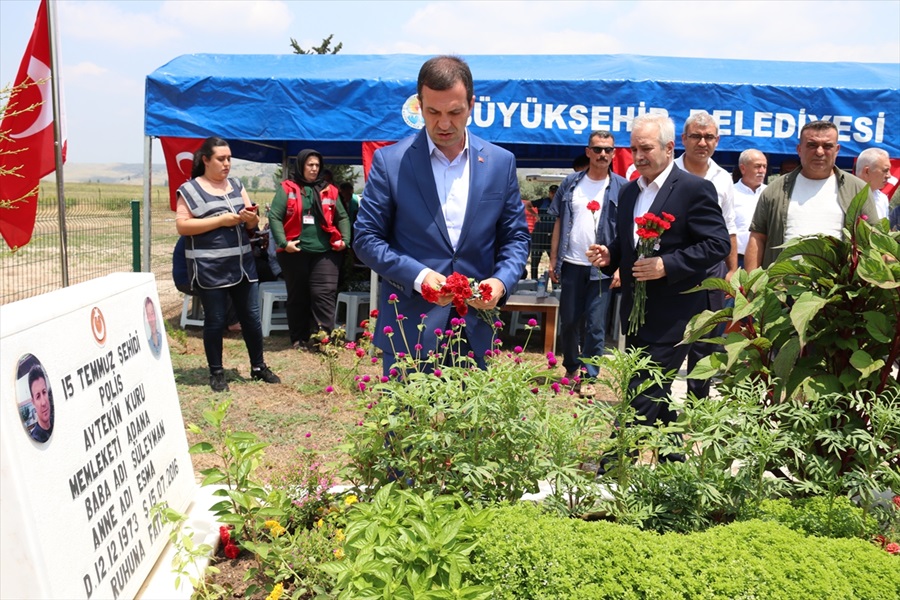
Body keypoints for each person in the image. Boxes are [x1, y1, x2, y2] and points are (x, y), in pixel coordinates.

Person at [353, 55, 530, 373]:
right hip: (409, 330)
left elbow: (515, 237)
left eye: (455, 112)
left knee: (471, 424)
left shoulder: (500, 163)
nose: (444, 124)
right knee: (407, 424)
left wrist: (500, 283)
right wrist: (419, 277)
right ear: (418, 105)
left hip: (476, 329)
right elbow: (366, 239)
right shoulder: (390, 162)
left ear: (472, 105)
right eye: (433, 112)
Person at [587, 112, 730, 434]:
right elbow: (631, 245)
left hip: (678, 312)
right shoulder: (629, 192)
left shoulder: (694, 189)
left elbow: (717, 244)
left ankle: (613, 468)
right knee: (657, 396)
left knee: (644, 391)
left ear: (668, 148)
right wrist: (611, 254)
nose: (639, 156)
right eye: (635, 148)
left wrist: (668, 264)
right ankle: (672, 463)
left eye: (646, 148)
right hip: (638, 313)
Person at [175, 136, 280, 392]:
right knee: (216, 320)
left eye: (229, 159)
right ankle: (217, 372)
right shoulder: (189, 189)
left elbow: (252, 224)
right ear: (205, 160)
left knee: (251, 319)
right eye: (221, 159)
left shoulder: (236, 185)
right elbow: (183, 226)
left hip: (243, 265)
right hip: (210, 268)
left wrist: (250, 218)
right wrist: (220, 221)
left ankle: (258, 367)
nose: (227, 164)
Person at [548, 130, 626, 386]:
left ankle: (590, 375)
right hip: (570, 265)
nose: (603, 154)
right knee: (569, 320)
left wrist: (620, 267)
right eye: (598, 149)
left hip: (602, 269)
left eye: (608, 150)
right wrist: (552, 260)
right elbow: (559, 223)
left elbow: (626, 232)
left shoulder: (622, 187)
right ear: (588, 151)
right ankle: (571, 368)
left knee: (594, 324)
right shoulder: (570, 184)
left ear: (613, 153)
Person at [745, 121, 877, 271]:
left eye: (827, 146)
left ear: (837, 150)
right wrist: (752, 289)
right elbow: (758, 238)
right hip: (781, 288)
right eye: (812, 145)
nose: (820, 152)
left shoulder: (857, 189)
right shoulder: (775, 190)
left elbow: (874, 239)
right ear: (799, 149)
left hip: (838, 290)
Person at [674, 111, 738, 400]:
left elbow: (730, 228)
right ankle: (657, 407)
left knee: (706, 340)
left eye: (708, 137)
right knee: (671, 337)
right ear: (683, 139)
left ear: (717, 141)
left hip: (711, 271)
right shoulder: (668, 172)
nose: (702, 142)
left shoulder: (723, 179)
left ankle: (697, 406)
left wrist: (732, 270)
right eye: (696, 136)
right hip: (672, 267)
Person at [269, 149, 350, 349]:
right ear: (301, 166)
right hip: (295, 252)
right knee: (298, 295)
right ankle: (299, 338)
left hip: (325, 252)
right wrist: (283, 243)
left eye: (317, 165)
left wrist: (345, 240)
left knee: (324, 294)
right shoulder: (287, 188)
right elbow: (275, 217)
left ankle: (324, 339)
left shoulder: (330, 189)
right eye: (310, 165)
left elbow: (343, 217)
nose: (314, 169)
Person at [733, 149, 768, 266]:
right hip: (736, 260)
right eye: (757, 166)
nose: (762, 171)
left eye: (764, 166)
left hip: (765, 260)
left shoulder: (770, 193)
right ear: (743, 168)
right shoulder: (730, 193)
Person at [528, 184, 557, 279]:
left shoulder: (560, 203)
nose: (553, 194)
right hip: (539, 236)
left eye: (555, 192)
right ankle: (533, 283)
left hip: (552, 237)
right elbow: (527, 205)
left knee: (554, 262)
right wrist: (535, 215)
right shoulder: (542, 201)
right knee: (534, 263)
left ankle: (555, 284)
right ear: (549, 193)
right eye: (552, 192)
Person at [855, 147, 892, 220]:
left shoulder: (882, 199)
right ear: (867, 171)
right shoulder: (844, 195)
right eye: (885, 170)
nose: (889, 175)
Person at [28, 365, 53, 443]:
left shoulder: (57, 422)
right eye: (38, 396)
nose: (43, 402)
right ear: (33, 402)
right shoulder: (35, 441)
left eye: (44, 392)